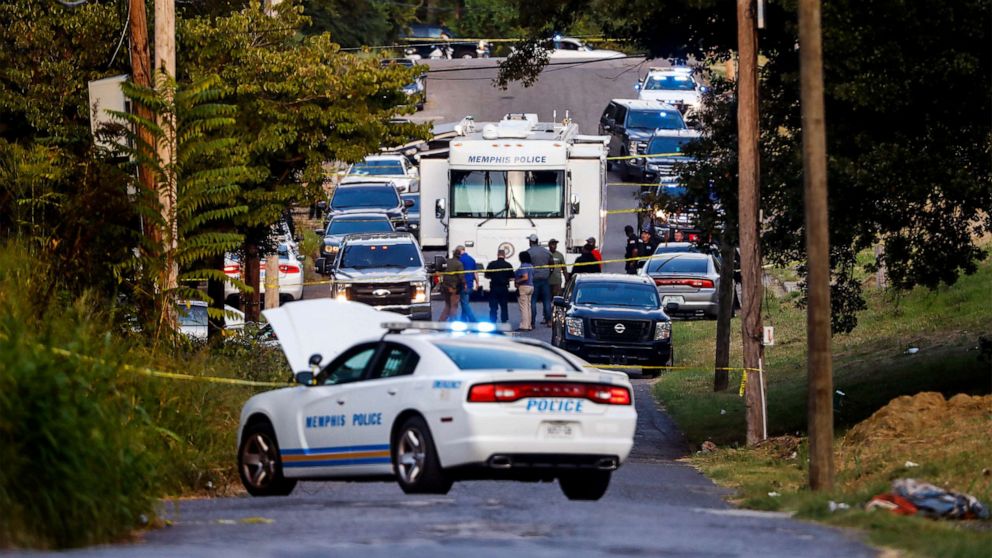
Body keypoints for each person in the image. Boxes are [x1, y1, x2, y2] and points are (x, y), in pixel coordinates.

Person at [525, 234, 553, 326]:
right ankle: (549, 321)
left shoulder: (528, 252)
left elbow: (526, 266)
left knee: (533, 300)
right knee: (546, 300)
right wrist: (548, 274)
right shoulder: (546, 252)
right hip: (545, 278)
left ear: (531, 242)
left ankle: (532, 322)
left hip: (534, 279)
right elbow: (552, 265)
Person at [485, 249, 514, 323]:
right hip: (504, 287)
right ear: (504, 255)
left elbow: (486, 276)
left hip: (494, 287)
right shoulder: (508, 265)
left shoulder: (492, 264)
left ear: (497, 255)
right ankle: (504, 320)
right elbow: (512, 277)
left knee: (493, 306)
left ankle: (493, 319)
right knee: (504, 305)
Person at [437, 248, 464, 321]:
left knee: (447, 306)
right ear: (459, 256)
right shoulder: (459, 264)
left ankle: (440, 322)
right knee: (454, 306)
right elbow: (461, 277)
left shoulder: (447, 262)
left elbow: (440, 272)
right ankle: (453, 322)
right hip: (453, 288)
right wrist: (464, 284)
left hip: (445, 287)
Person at [457, 245, 479, 322]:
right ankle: (463, 320)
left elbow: (459, 274)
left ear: (459, 251)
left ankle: (473, 320)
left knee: (465, 304)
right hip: (470, 284)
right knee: (465, 302)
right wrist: (477, 284)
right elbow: (475, 273)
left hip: (463, 285)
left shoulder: (460, 260)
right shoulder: (472, 259)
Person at [514, 251, 535, 331]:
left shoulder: (523, 266)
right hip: (531, 286)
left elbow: (525, 277)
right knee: (528, 307)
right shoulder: (531, 266)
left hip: (524, 287)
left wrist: (517, 281)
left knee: (523, 307)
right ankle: (529, 325)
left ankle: (524, 326)